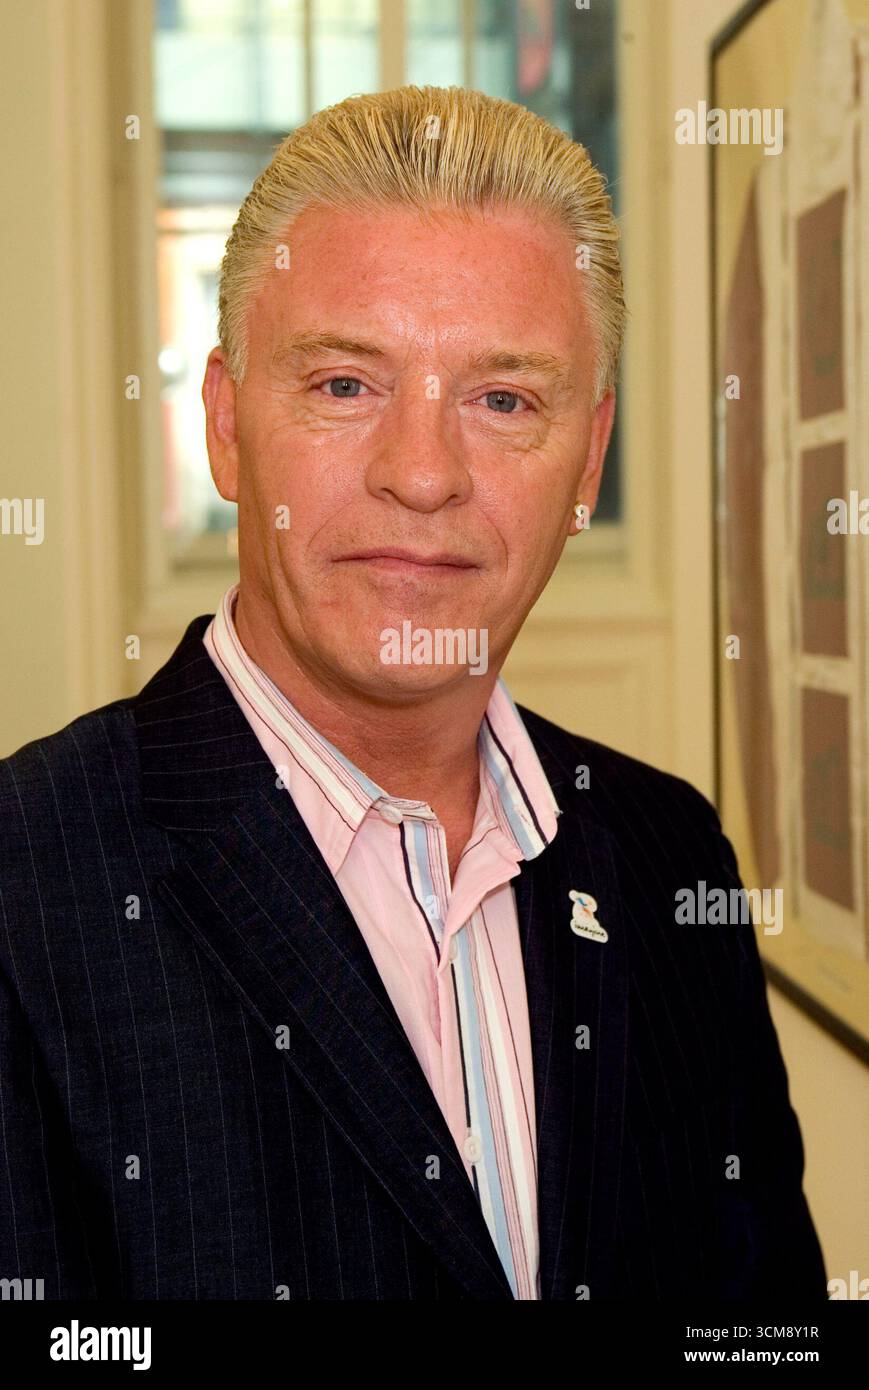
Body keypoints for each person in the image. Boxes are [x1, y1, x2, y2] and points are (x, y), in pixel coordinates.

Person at [0, 85, 826, 1300]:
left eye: (502, 400)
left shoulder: (666, 856)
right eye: (344, 385)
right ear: (227, 425)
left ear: (587, 456)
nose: (423, 474)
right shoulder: (28, 887)